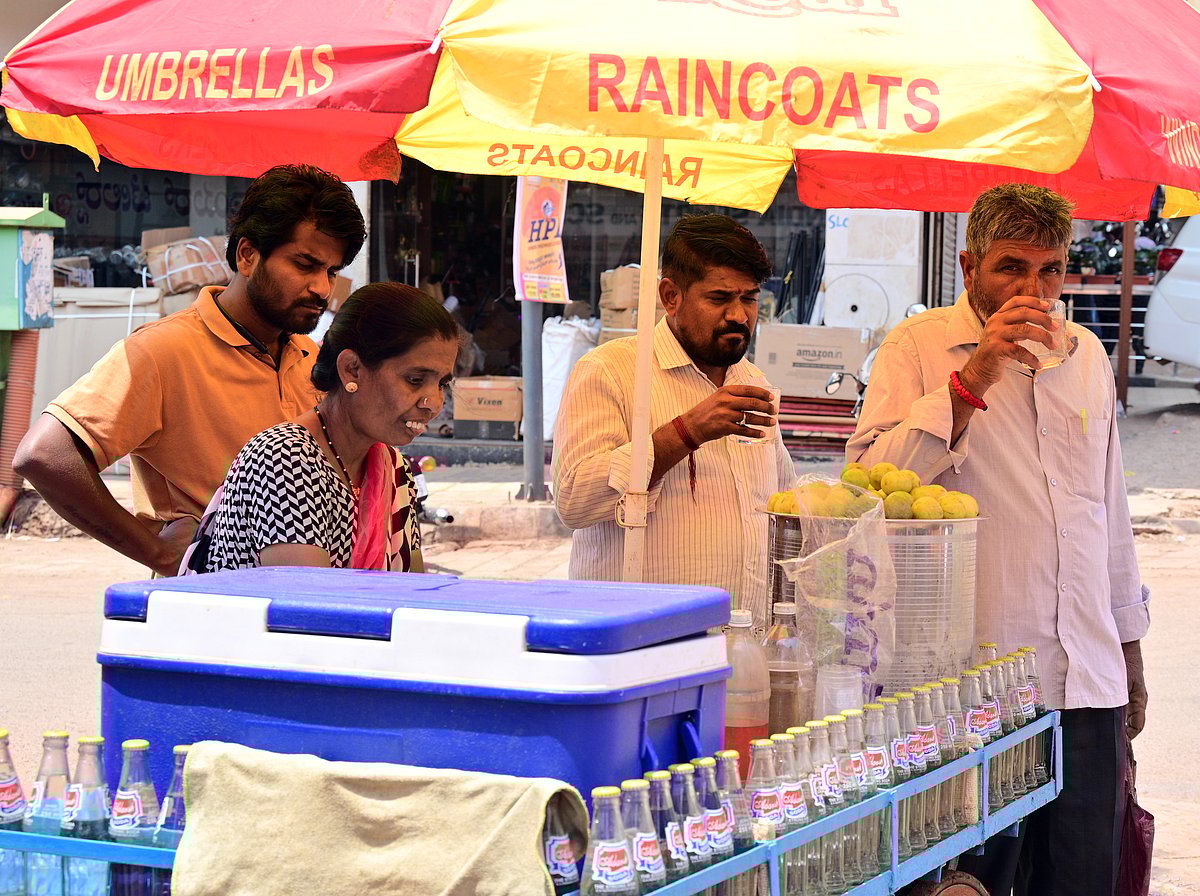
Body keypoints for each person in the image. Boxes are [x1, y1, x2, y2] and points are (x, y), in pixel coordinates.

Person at [847, 183, 1149, 896]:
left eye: (1050, 270)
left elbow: (1106, 509)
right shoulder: (918, 347)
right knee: (973, 882)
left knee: (1081, 879)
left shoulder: (1084, 354)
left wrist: (1129, 649)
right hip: (978, 684)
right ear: (968, 266)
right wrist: (973, 375)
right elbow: (869, 483)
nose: (1033, 289)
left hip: (1087, 677)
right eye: (1012, 267)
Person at [13, 164, 366, 576]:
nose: (322, 288)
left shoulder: (310, 357)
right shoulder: (164, 350)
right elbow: (44, 454)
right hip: (207, 610)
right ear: (248, 256)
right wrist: (156, 552)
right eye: (305, 265)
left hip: (304, 596)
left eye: (331, 271)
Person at [553, 214, 794, 628]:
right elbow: (573, 500)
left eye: (750, 298)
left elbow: (783, 504)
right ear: (671, 296)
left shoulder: (754, 381)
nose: (739, 315)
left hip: (742, 644)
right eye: (719, 298)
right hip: (637, 642)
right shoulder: (609, 370)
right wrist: (686, 432)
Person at [182, 283, 459, 575]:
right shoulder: (284, 459)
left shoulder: (394, 469)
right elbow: (306, 610)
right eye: (415, 380)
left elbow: (410, 590)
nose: (434, 403)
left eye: (442, 384)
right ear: (352, 369)